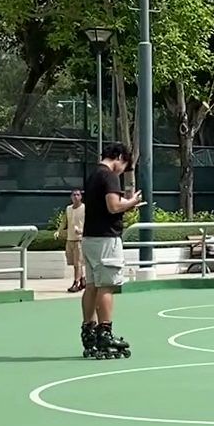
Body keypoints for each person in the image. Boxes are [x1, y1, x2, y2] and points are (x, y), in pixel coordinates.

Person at [81, 141, 142, 359]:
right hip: (106, 238)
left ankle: (88, 330)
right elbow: (113, 206)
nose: (123, 170)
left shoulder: (93, 175)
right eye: (124, 165)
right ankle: (105, 332)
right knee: (106, 286)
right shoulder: (109, 176)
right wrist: (131, 202)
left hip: (89, 237)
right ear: (120, 158)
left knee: (91, 286)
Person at [64, 187, 85, 292]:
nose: (75, 197)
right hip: (70, 238)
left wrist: (82, 231)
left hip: (79, 239)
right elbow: (65, 221)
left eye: (78, 195)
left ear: (81, 197)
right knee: (74, 263)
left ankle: (77, 282)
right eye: (74, 195)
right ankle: (82, 279)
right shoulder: (68, 209)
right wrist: (59, 231)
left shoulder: (84, 208)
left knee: (78, 263)